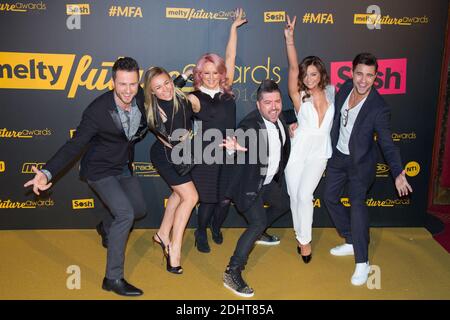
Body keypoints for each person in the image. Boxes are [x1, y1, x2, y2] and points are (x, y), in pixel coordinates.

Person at [24, 57, 149, 296]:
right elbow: (74, 145)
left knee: (139, 210)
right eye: (122, 84)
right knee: (125, 214)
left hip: (122, 165)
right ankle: (112, 279)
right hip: (99, 169)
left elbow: (162, 92)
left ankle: (105, 227)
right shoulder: (97, 110)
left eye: (133, 84)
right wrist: (47, 171)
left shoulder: (140, 96)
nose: (128, 90)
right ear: (113, 81)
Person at [323, 53, 413, 286]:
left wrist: (398, 173)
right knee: (330, 198)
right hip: (338, 157)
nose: (363, 80)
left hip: (360, 165)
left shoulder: (378, 108)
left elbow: (387, 143)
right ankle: (351, 240)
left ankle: (362, 262)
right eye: (359, 74)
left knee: (357, 206)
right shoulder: (344, 89)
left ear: (375, 78)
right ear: (352, 73)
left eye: (369, 76)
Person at [220, 80, 291, 297]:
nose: (274, 107)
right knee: (258, 221)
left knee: (284, 205)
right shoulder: (249, 125)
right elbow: (240, 139)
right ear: (258, 105)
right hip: (248, 185)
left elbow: (293, 115)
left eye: (277, 101)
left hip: (269, 181)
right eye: (267, 102)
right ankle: (232, 272)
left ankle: (260, 233)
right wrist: (234, 149)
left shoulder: (282, 118)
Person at [187, 8, 250, 253]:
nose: (212, 77)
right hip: (206, 156)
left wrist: (233, 29)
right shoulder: (193, 97)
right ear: (199, 74)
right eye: (206, 73)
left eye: (215, 72)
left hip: (230, 151)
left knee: (225, 199)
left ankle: (215, 226)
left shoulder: (227, 90)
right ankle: (201, 232)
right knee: (209, 199)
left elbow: (230, 56)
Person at [283, 15, 335, 264]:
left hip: (319, 153)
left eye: (313, 74)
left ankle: (305, 241)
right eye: (306, 74)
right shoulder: (298, 96)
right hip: (298, 152)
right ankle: (300, 236)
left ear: (321, 74)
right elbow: (293, 68)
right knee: (295, 196)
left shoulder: (333, 92)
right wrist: (290, 39)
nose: (308, 78)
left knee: (304, 196)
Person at [144, 66, 199, 274]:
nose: (165, 89)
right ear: (151, 92)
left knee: (178, 194)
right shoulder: (155, 113)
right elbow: (172, 139)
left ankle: (162, 234)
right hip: (166, 156)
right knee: (191, 197)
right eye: (158, 87)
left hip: (180, 154)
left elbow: (174, 88)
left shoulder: (176, 92)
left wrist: (184, 77)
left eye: (166, 82)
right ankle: (173, 249)